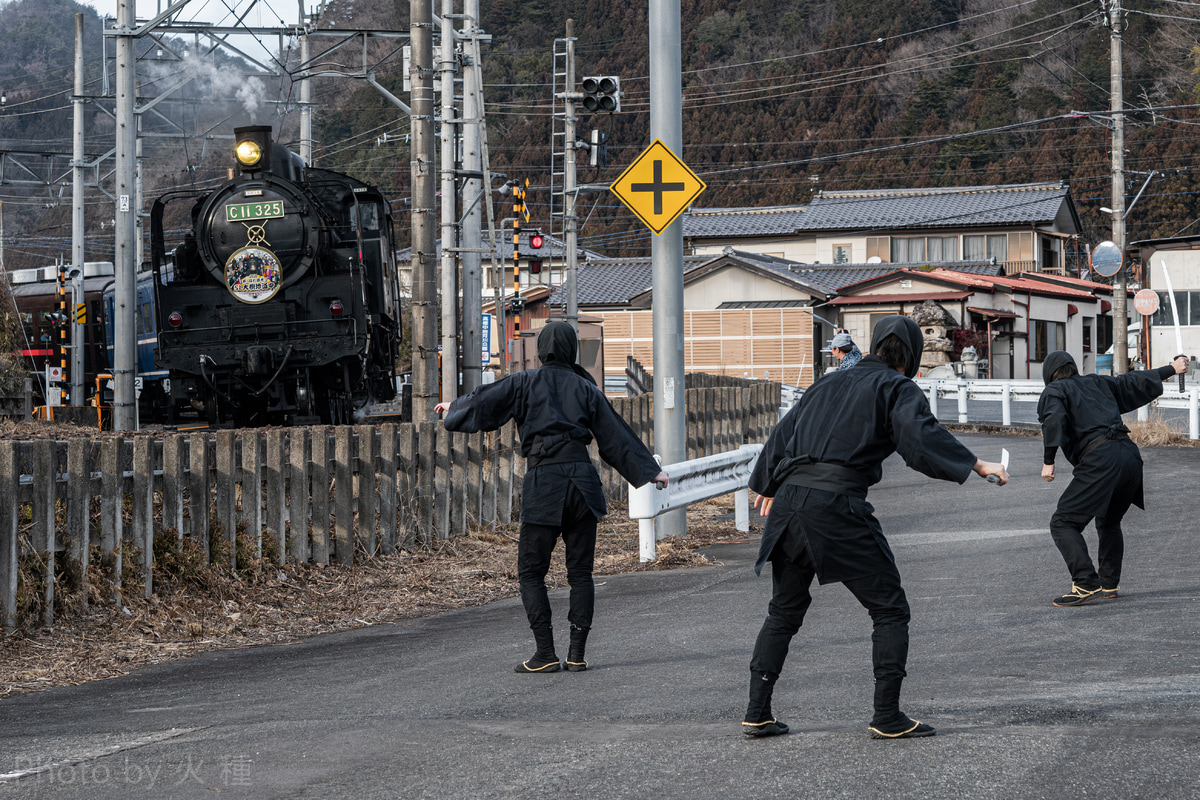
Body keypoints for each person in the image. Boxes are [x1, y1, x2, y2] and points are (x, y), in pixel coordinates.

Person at [742, 315, 1008, 739]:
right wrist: (976, 464)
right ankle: (886, 716)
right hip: (835, 505)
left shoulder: (826, 383)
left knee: (784, 610)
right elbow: (921, 439)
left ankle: (757, 711)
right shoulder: (896, 387)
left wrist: (767, 484)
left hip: (790, 501)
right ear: (913, 356)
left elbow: (781, 435)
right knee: (889, 608)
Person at [434, 322, 668, 674]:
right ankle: (576, 654)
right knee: (580, 574)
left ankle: (545, 654)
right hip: (582, 486)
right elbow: (615, 434)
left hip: (544, 483)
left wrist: (453, 408)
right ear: (572, 349)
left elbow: (485, 401)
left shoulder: (524, 382)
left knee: (531, 572)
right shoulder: (586, 388)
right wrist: (651, 471)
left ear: (542, 349)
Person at [1038, 350, 1188, 607]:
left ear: (1049, 374)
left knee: (1063, 522)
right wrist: (1172, 369)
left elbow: (1053, 421)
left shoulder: (1054, 391)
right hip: (1129, 455)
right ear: (1074, 367)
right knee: (1109, 521)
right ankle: (1109, 584)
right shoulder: (1097, 382)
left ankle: (1085, 582)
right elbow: (1133, 381)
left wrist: (1048, 461)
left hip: (1101, 459)